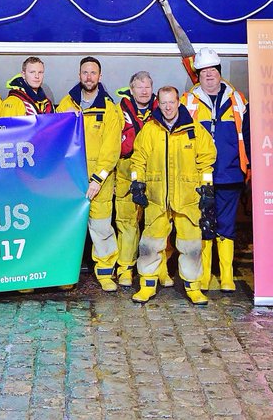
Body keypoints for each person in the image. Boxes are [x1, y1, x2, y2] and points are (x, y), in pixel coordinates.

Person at [128, 85, 217, 305]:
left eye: (172, 102)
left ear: (179, 102)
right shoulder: (150, 130)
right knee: (150, 244)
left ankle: (193, 287)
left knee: (191, 246)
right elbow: (138, 159)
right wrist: (137, 183)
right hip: (157, 198)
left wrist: (206, 188)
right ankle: (147, 285)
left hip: (187, 199)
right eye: (164, 102)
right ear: (159, 103)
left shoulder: (194, 130)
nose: (168, 107)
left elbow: (206, 161)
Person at [183, 48, 250, 293]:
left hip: (231, 172)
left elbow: (249, 136)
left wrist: (249, 167)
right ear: (197, 75)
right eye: (204, 72)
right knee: (203, 224)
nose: (209, 75)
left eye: (213, 71)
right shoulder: (187, 101)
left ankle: (227, 276)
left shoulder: (238, 99)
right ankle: (203, 275)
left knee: (227, 225)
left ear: (220, 73)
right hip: (200, 175)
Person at [57, 57, 123, 291]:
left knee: (101, 227)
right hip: (70, 179)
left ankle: (105, 273)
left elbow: (111, 149)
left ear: (100, 77)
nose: (89, 77)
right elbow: (58, 141)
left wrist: (98, 178)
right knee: (69, 227)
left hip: (100, 182)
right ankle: (65, 274)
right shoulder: (66, 104)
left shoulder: (109, 108)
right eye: (85, 72)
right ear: (79, 75)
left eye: (93, 73)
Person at [116, 71, 157, 288]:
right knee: (127, 224)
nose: (144, 91)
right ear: (131, 90)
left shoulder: (162, 112)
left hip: (154, 174)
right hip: (125, 173)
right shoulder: (118, 111)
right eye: (139, 87)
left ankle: (157, 269)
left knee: (156, 224)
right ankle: (125, 269)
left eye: (147, 87)